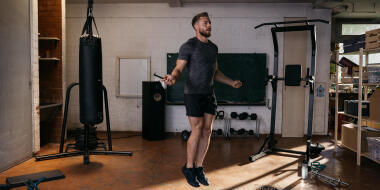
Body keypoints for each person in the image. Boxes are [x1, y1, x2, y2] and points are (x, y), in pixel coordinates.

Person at [163, 12, 242, 187]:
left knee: (207, 131)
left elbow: (215, 72)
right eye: (205, 23)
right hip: (193, 94)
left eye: (210, 23)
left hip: (209, 93)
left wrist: (231, 82)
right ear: (196, 26)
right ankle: (189, 167)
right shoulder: (188, 46)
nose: (209, 25)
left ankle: (199, 167)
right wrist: (172, 78)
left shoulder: (213, 48)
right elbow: (178, 69)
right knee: (197, 130)